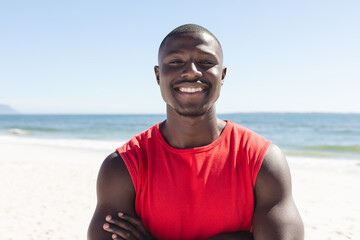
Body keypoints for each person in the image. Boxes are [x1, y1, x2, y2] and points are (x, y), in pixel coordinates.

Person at [88, 24, 304, 240]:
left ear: (222, 75)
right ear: (157, 75)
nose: (192, 71)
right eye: (175, 62)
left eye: (206, 62)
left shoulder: (262, 160)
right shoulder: (123, 166)